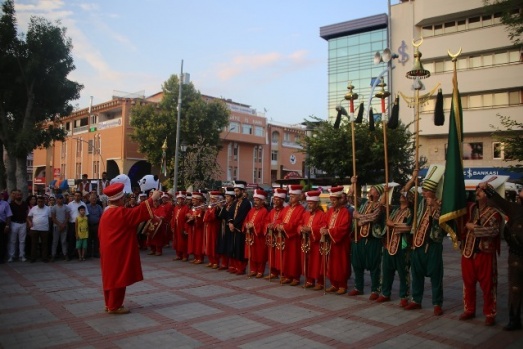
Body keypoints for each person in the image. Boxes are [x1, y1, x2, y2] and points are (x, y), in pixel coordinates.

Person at [99, 182, 161, 314]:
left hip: (108, 250)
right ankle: (115, 306)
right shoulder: (119, 212)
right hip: (118, 251)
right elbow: (137, 212)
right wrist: (153, 198)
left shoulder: (106, 212)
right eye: (123, 198)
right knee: (118, 277)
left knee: (109, 277)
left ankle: (109, 303)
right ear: (119, 199)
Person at [460, 177, 504, 327]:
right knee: (468, 283)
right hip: (468, 251)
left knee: (488, 285)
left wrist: (474, 228)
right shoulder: (471, 208)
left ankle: (490, 313)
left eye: (481, 190)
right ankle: (469, 309)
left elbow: (494, 231)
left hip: (485, 253)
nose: (477, 192)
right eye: (477, 189)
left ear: (488, 194)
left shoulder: (495, 213)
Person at [479, 181, 523, 331]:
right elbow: (500, 201)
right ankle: (514, 319)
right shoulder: (516, 209)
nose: (520, 193)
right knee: (515, 288)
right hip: (517, 257)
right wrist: (487, 189)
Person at [404, 164, 445, 316]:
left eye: (427, 191)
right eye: (423, 190)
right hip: (417, 243)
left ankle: (437, 303)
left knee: (436, 275)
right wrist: (413, 178)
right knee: (417, 274)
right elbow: (404, 192)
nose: (424, 193)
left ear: (434, 192)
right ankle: (416, 300)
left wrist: (434, 205)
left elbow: (441, 220)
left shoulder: (441, 203)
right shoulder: (419, 202)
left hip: (432, 244)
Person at [377, 180, 416, 307]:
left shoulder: (411, 212)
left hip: (402, 246)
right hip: (389, 244)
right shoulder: (394, 210)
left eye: (404, 195)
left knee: (403, 272)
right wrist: (386, 192)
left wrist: (392, 224)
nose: (401, 196)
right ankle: (385, 293)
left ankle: (404, 296)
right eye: (401, 195)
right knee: (386, 271)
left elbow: (408, 226)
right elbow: (381, 206)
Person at [350, 177, 385, 299]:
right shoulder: (364, 202)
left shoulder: (380, 206)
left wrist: (358, 216)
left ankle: (375, 289)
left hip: (372, 239)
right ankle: (358, 287)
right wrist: (352, 184)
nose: (370, 190)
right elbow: (351, 199)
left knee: (374, 265)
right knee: (357, 263)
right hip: (359, 238)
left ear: (378, 194)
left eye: (373, 190)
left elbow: (373, 217)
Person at [319, 186, 351, 294]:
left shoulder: (345, 212)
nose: (332, 202)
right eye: (331, 200)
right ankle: (333, 284)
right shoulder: (330, 211)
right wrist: (323, 228)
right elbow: (324, 222)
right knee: (330, 263)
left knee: (340, 264)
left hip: (340, 243)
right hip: (330, 242)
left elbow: (344, 227)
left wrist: (330, 232)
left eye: (334, 200)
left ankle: (342, 285)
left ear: (339, 200)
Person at [276, 184, 306, 286]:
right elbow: (279, 218)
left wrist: (284, 227)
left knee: (294, 258)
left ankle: (295, 277)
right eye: (290, 196)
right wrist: (279, 225)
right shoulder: (286, 208)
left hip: (294, 238)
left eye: (293, 196)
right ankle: (287, 276)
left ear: (298, 197)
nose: (291, 198)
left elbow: (297, 222)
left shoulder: (301, 209)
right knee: (285, 257)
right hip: (284, 236)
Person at [298, 190, 326, 289]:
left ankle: (320, 282)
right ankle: (309, 281)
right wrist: (301, 228)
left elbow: (323, 227)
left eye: (311, 203)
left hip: (316, 243)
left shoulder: (322, 214)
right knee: (307, 261)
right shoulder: (305, 214)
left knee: (317, 263)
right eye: (308, 203)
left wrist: (311, 229)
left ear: (317, 203)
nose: (309, 205)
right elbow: (300, 224)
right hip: (306, 242)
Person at [243, 189, 269, 278]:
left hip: (259, 236)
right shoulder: (252, 210)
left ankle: (260, 271)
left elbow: (264, 223)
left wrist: (253, 225)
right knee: (252, 253)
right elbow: (246, 220)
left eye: (258, 200)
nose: (255, 202)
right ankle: (253, 270)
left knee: (260, 254)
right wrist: (246, 225)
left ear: (262, 201)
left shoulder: (264, 211)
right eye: (255, 200)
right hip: (250, 235)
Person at [227, 181, 251, 275]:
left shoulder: (246, 203)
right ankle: (233, 266)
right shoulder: (235, 202)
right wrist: (230, 222)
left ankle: (241, 268)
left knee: (239, 249)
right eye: (235, 191)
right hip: (233, 228)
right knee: (232, 248)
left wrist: (234, 224)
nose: (236, 193)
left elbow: (242, 216)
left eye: (237, 191)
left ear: (242, 191)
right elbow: (230, 213)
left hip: (240, 229)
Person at [265, 188, 287, 280]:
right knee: (272, 255)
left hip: (280, 237)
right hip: (272, 236)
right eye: (274, 199)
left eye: (278, 200)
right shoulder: (272, 211)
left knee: (280, 256)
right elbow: (267, 220)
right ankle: (273, 272)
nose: (276, 201)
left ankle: (282, 273)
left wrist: (274, 225)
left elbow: (283, 222)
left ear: (282, 200)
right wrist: (268, 225)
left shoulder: (285, 210)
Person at [215, 187, 236, 270]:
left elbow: (229, 216)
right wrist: (218, 209)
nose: (226, 198)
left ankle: (230, 264)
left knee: (229, 246)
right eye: (226, 196)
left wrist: (221, 208)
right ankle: (224, 263)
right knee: (222, 245)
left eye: (227, 197)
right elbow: (219, 217)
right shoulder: (225, 205)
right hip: (223, 227)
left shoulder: (234, 205)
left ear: (232, 198)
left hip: (229, 228)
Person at [27, 196, 52, 263]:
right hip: (34, 228)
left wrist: (49, 228)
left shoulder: (48, 209)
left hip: (44, 229)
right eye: (38, 201)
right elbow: (29, 217)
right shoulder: (33, 208)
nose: (40, 203)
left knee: (44, 244)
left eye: (41, 201)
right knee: (34, 244)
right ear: (37, 202)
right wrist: (29, 223)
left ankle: (44, 257)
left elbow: (50, 219)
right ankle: (33, 258)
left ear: (44, 201)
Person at [203, 191, 223, 269]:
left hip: (214, 228)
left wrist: (207, 212)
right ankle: (211, 260)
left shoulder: (217, 208)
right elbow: (205, 218)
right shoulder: (210, 207)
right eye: (211, 199)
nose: (212, 201)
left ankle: (216, 261)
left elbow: (211, 217)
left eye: (214, 199)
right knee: (208, 244)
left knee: (213, 244)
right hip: (208, 227)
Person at [8, 190, 29, 262]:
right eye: (17, 195)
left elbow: (27, 214)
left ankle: (21, 255)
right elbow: (9, 216)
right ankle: (11, 255)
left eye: (20, 195)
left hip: (23, 223)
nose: (19, 196)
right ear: (15, 196)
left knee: (22, 241)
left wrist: (28, 223)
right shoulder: (11, 204)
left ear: (22, 196)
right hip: (14, 223)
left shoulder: (25, 204)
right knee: (13, 240)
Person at [67, 191, 89, 260]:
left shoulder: (83, 204)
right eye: (75, 195)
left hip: (81, 225)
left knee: (80, 240)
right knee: (71, 240)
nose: (77, 197)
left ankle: (79, 255)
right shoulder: (70, 204)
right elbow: (67, 214)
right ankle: (70, 255)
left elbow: (86, 214)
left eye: (78, 196)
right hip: (72, 224)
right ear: (74, 196)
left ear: (81, 197)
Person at [186, 192, 206, 263]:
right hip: (193, 228)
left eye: (194, 200)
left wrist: (194, 218)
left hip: (199, 228)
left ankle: (200, 258)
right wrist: (189, 216)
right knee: (194, 243)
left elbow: (201, 217)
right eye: (192, 200)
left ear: (198, 200)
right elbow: (191, 213)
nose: (192, 202)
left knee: (199, 243)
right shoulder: (194, 208)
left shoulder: (202, 208)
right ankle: (195, 257)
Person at [51, 194, 71, 261]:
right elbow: (53, 218)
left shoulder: (66, 207)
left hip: (64, 226)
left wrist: (63, 224)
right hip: (56, 226)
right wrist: (60, 224)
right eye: (59, 199)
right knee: (55, 241)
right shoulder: (54, 207)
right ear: (57, 200)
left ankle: (65, 254)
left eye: (62, 199)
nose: (61, 200)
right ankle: (53, 255)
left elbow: (67, 217)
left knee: (64, 241)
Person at [171, 191, 190, 261]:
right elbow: (173, 218)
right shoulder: (176, 208)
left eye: (182, 199)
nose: (180, 200)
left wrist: (185, 228)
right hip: (176, 227)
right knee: (176, 241)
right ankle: (178, 255)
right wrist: (172, 226)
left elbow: (187, 219)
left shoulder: (186, 208)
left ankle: (185, 255)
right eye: (179, 199)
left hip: (182, 227)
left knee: (183, 242)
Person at [87, 193, 103, 258]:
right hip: (89, 225)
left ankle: (96, 253)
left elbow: (101, 215)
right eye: (92, 198)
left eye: (95, 198)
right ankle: (89, 253)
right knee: (89, 240)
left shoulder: (99, 207)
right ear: (89, 199)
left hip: (97, 225)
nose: (94, 200)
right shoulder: (86, 206)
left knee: (97, 240)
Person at [0, 192, 13, 263]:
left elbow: (8, 215)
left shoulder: (5, 204)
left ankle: (2, 257)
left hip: (2, 225)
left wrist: (7, 225)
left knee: (2, 241)